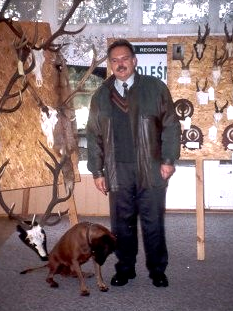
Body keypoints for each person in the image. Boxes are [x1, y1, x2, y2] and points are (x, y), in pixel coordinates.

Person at [86, 39, 181, 288]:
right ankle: (125, 268)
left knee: (153, 223)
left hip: (150, 167)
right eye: (115, 60)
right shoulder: (101, 96)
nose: (120, 64)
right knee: (122, 225)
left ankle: (157, 270)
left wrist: (169, 160)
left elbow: (171, 126)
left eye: (124, 58)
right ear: (110, 64)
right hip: (118, 170)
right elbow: (93, 134)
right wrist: (97, 171)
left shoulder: (155, 88)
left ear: (134, 61)